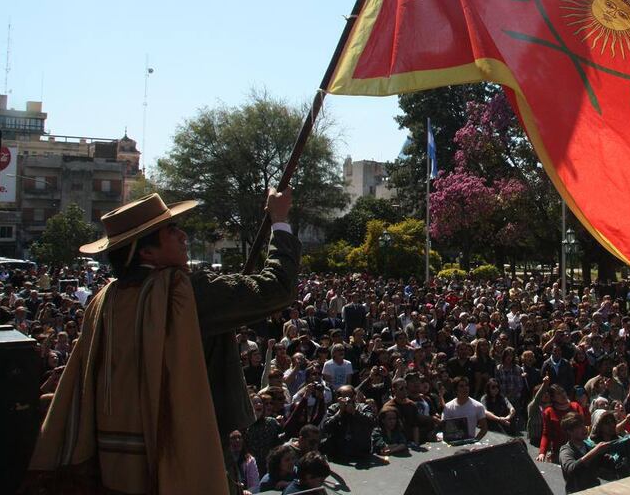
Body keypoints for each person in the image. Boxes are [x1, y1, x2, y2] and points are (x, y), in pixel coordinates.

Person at [25, 189, 300, 495]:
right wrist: (279, 220)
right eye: (171, 230)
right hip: (185, 453)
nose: (183, 235)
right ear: (146, 252)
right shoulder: (180, 293)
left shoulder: (104, 300)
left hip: (112, 465)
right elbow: (278, 287)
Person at [320, 385, 375, 461]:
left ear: (355, 397)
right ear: (338, 398)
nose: (348, 399)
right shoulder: (333, 408)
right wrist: (339, 413)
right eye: (344, 397)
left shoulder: (363, 407)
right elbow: (326, 427)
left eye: (350, 396)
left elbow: (372, 422)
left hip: (360, 450)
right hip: (338, 450)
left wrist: (355, 412)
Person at [559, 413, 609, 493]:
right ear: (569, 431)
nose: (584, 428)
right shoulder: (566, 450)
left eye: (583, 425)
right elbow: (571, 469)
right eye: (579, 427)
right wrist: (594, 452)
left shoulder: (589, 446)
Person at [442, 376, 489, 441]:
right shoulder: (448, 407)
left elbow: (484, 428)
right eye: (461, 386)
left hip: (470, 444)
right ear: (456, 389)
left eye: (466, 385)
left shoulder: (478, 406)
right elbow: (444, 426)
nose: (465, 388)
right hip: (452, 444)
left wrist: (475, 440)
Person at [226, 430, 259, 495]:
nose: (237, 440)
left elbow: (255, 485)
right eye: (233, 438)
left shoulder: (249, 460)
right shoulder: (224, 460)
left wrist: (247, 492)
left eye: (239, 437)